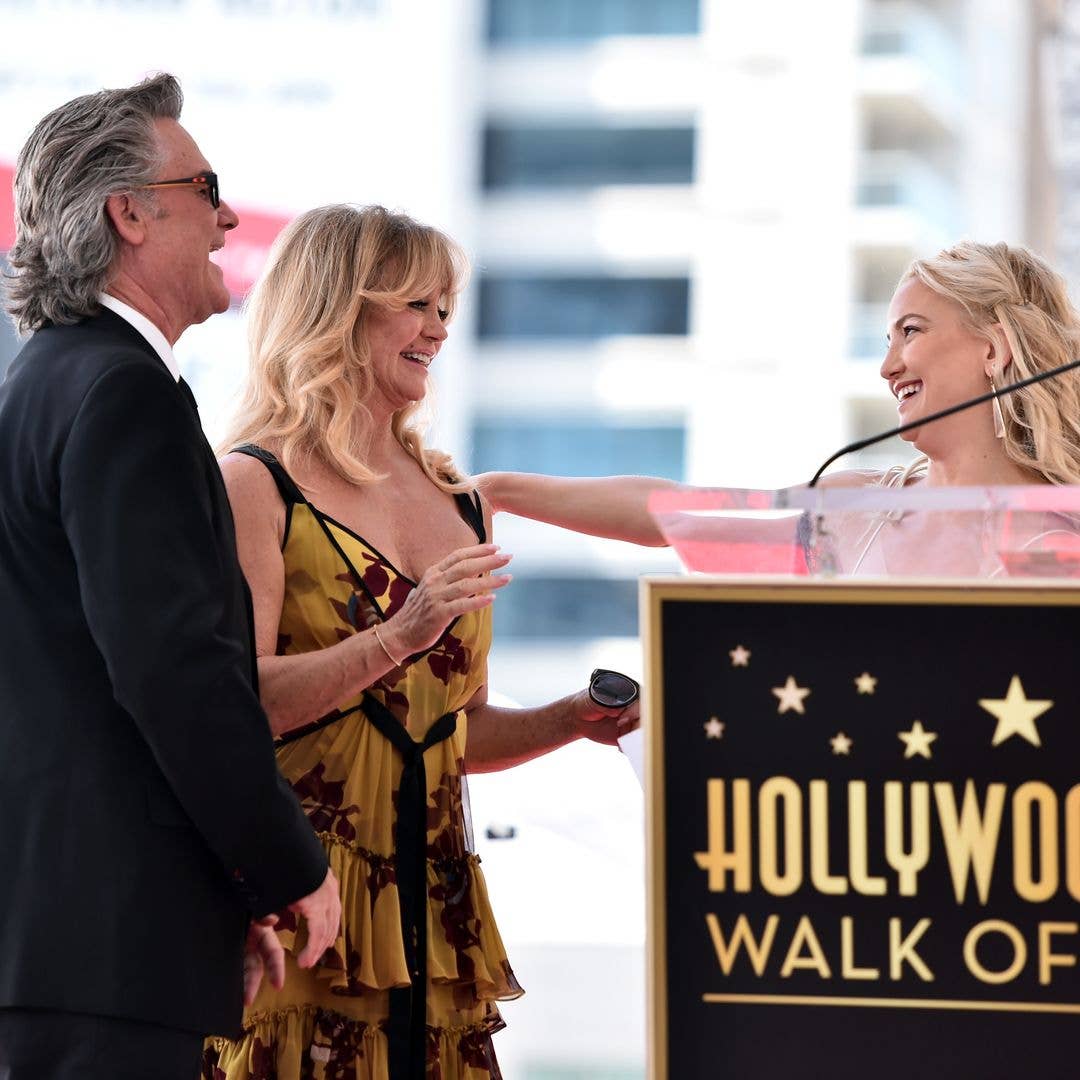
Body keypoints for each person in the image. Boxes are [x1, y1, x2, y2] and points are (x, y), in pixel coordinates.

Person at [203, 203, 639, 1080]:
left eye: (446, 306)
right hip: (298, 899)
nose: (440, 328)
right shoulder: (254, 481)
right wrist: (402, 632)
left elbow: (452, 729)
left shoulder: (459, 500)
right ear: (338, 309)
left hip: (435, 914)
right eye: (416, 304)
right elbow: (237, 702)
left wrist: (568, 719)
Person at [0, 75, 341, 1080]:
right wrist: (285, 867)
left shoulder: (48, 381)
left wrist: (219, 892)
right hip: (98, 949)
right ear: (130, 213)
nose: (230, 214)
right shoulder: (121, 396)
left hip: (67, 938)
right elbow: (175, 673)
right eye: (207, 186)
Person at [476, 241, 1080, 574]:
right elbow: (676, 519)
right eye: (886, 340)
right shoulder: (854, 510)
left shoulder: (1063, 539)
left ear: (994, 348)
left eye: (912, 332)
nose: (887, 367)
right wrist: (501, 492)